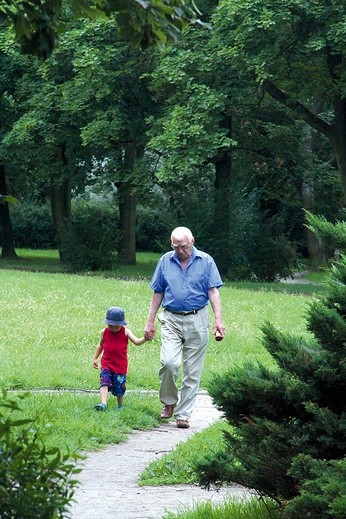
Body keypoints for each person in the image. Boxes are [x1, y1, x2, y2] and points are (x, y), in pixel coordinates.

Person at [144, 226, 225, 429]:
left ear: (192, 242)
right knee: (169, 362)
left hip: (197, 319)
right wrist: (150, 321)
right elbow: (157, 292)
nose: (180, 250)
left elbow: (213, 292)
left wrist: (218, 320)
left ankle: (183, 414)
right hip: (171, 318)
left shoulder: (206, 261)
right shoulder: (165, 261)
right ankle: (169, 402)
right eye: (176, 246)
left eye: (184, 246)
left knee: (192, 371)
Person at [93, 306, 147, 411]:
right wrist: (95, 358)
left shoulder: (126, 332)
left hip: (120, 366)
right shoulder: (105, 332)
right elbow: (100, 345)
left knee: (119, 388)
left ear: (122, 324)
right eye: (110, 325)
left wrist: (145, 338)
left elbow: (136, 341)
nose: (113, 328)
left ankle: (120, 406)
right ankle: (103, 404)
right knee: (104, 382)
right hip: (107, 364)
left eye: (116, 326)